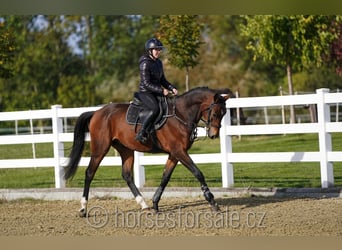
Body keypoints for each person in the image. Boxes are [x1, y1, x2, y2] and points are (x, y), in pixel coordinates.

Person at [135, 38, 178, 143]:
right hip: (145, 92)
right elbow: (146, 83)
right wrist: (161, 90)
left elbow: (162, 79)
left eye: (159, 50)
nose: (158, 52)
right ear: (150, 51)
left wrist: (172, 88)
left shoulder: (158, 62)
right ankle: (142, 132)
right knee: (155, 109)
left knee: (169, 106)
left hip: (156, 91)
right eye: (156, 50)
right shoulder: (145, 63)